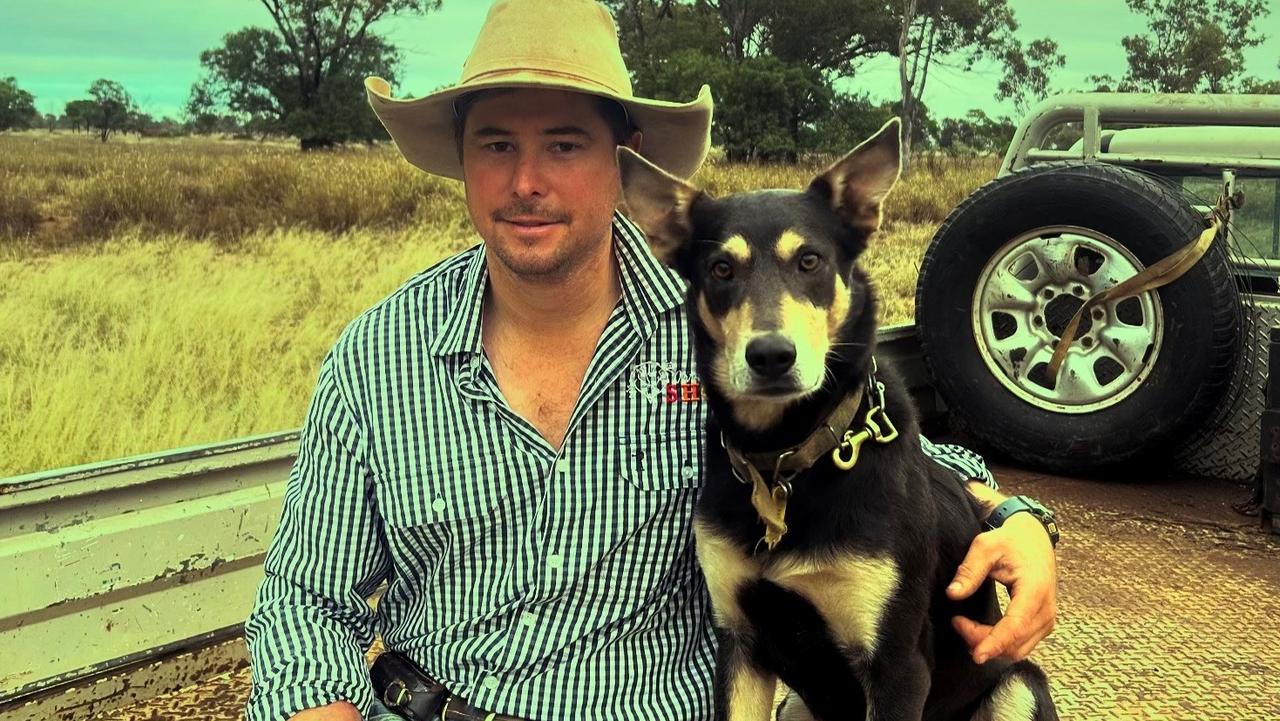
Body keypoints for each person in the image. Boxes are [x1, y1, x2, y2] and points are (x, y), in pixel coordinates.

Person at [244, 2, 1060, 720]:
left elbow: (871, 447)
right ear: (463, 158)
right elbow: (304, 596)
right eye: (496, 145)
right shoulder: (379, 355)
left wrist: (1013, 517)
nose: (526, 181)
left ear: (627, 165)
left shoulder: (721, 329)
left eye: (564, 145)